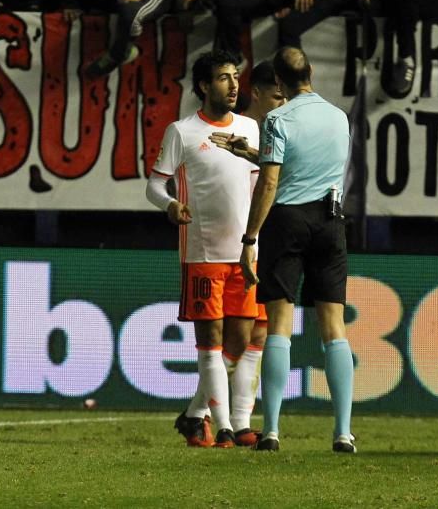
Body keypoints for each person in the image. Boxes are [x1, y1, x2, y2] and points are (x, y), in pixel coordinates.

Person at [240, 46, 354, 453]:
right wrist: (251, 152)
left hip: (287, 221)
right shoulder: (338, 117)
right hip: (330, 221)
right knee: (334, 328)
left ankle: (270, 431)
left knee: (279, 323)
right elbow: (309, 165)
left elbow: (271, 182)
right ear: (311, 72)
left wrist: (250, 237)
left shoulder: (276, 119)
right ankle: (343, 432)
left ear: (278, 83)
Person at [147, 49, 261, 449]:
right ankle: (224, 426)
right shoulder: (182, 132)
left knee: (237, 343)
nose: (233, 85)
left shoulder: (250, 128)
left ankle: (196, 413)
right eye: (224, 78)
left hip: (246, 253)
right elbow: (153, 185)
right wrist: (171, 204)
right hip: (203, 253)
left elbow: (260, 188)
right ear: (203, 86)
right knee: (211, 340)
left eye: (235, 77)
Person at [208, 59, 288, 444]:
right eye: (276, 95)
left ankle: (239, 422)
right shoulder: (236, 130)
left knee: (259, 333)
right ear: (255, 93)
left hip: (263, 241)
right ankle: (202, 412)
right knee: (236, 338)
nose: (282, 102)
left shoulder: (276, 131)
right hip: (232, 246)